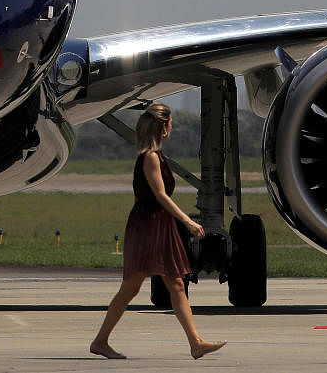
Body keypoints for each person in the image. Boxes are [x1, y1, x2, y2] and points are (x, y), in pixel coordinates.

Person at [89, 104, 226, 360]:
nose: (172, 127)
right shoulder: (151, 156)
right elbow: (160, 195)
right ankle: (100, 341)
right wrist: (189, 221)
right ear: (163, 127)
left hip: (158, 224)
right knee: (131, 287)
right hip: (148, 225)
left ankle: (196, 343)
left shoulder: (158, 156)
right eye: (170, 123)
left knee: (175, 283)